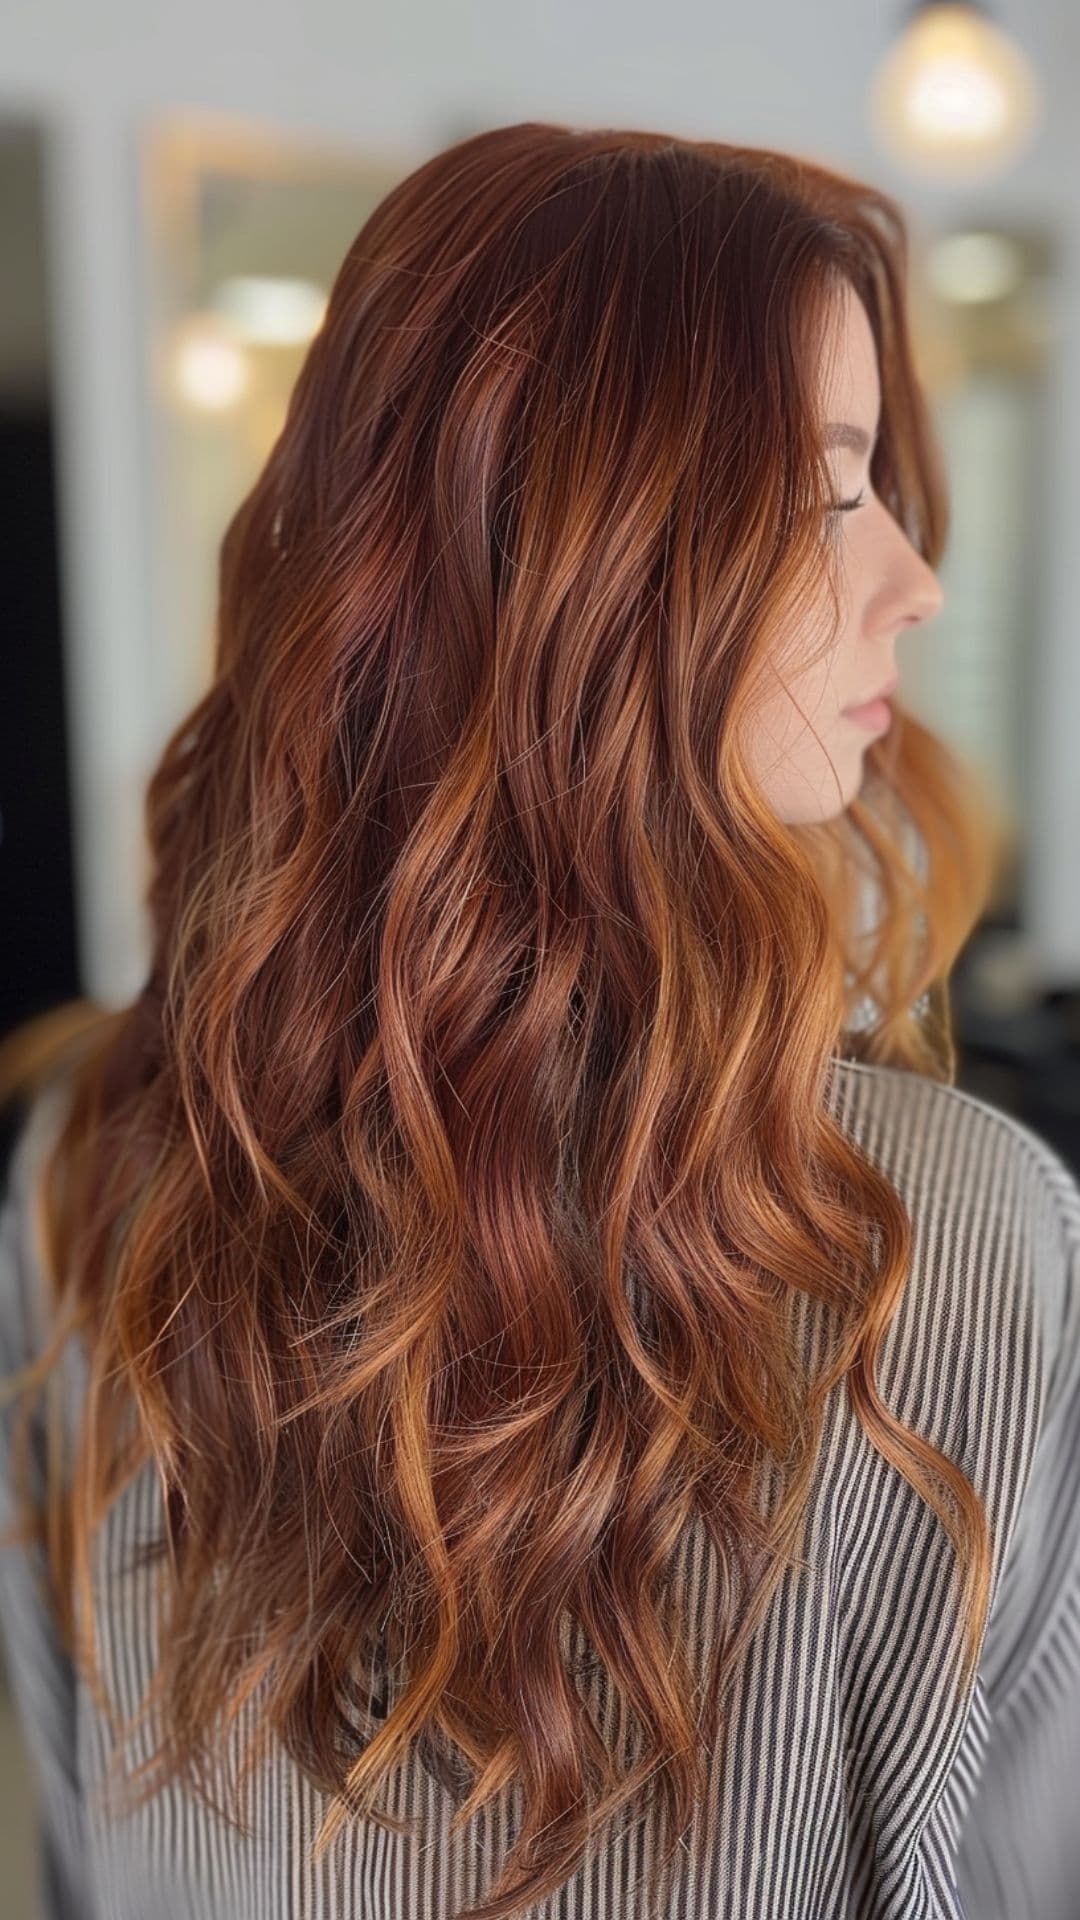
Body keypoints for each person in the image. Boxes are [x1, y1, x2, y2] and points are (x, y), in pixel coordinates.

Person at [1, 119, 1078, 1920]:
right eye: (830, 491)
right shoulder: (939, 1245)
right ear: (569, 567)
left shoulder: (90, 1171)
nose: (915, 578)